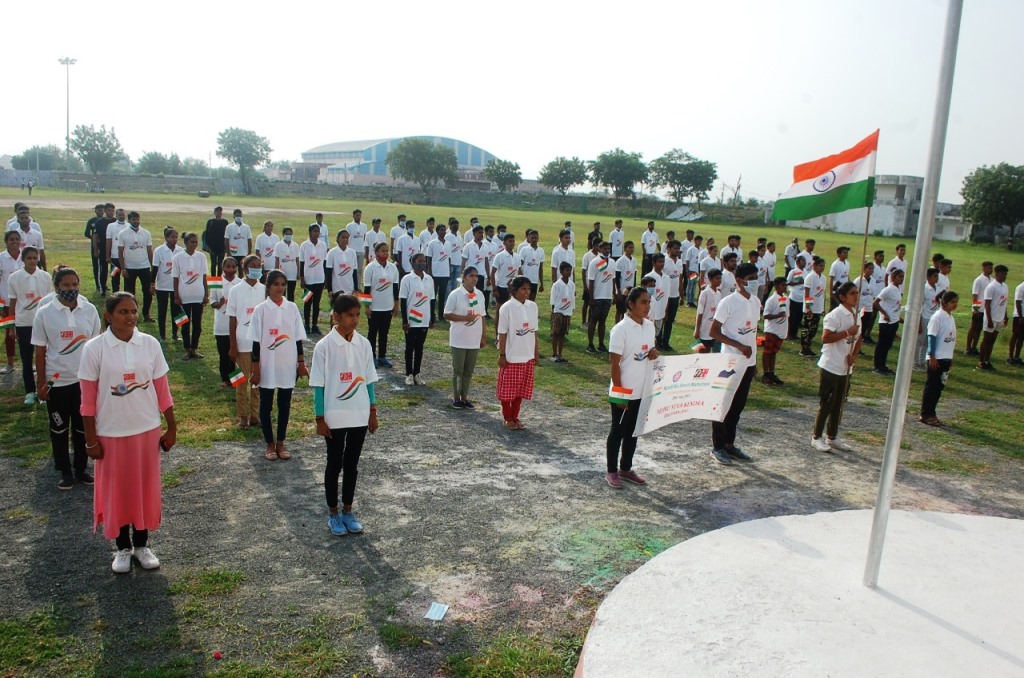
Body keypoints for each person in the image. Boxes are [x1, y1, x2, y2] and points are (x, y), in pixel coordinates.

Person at [79, 292, 177, 574]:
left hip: (146, 430)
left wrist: (171, 426)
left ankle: (142, 545)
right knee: (118, 491)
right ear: (108, 316)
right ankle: (122, 547)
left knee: (144, 489)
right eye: (123, 312)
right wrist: (91, 440)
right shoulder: (94, 349)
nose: (130, 317)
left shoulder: (149, 344)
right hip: (111, 433)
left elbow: (162, 390)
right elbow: (87, 401)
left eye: (133, 311)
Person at [311, 293, 379, 537]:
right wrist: (320, 419)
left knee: (352, 464)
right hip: (334, 416)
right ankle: (333, 513)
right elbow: (318, 385)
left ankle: (348, 511)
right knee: (334, 463)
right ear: (336, 316)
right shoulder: (324, 347)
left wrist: (372, 411)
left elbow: (369, 381)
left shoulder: (364, 344)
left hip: (359, 414)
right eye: (350, 315)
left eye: (357, 315)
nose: (355, 320)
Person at [32, 266, 102, 489]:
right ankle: (64, 470)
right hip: (57, 382)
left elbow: (97, 347)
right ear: (56, 287)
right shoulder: (44, 313)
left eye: (74, 284)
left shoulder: (89, 310)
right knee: (59, 427)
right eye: (65, 285)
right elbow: (40, 350)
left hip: (84, 381)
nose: (71, 289)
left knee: (82, 427)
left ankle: (81, 468)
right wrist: (41, 383)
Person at [249, 270, 308, 461]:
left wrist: (301, 363)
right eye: (276, 284)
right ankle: (269, 444)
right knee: (266, 405)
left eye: (283, 284)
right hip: (267, 364)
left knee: (284, 404)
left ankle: (281, 442)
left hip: (287, 364)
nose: (280, 288)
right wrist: (255, 368)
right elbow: (256, 342)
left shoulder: (291, 308)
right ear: (268, 287)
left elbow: (298, 339)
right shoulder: (261, 310)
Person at [605, 286, 659, 489]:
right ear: (631, 304)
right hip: (623, 391)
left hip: (642, 390)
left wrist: (653, 352)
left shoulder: (649, 326)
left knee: (633, 432)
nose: (647, 306)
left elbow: (649, 350)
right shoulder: (620, 329)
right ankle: (611, 472)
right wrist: (620, 394)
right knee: (617, 431)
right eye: (643, 302)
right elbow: (614, 364)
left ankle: (625, 468)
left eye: (649, 302)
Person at [708, 263, 761, 465]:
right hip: (730, 362)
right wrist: (738, 346)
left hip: (748, 362)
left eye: (756, 277)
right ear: (739, 281)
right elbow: (714, 331)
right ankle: (718, 447)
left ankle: (730, 444)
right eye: (751, 278)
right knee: (723, 404)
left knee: (738, 405)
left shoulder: (755, 301)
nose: (755, 281)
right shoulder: (728, 302)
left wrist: (753, 361)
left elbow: (752, 332)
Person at [810, 282, 863, 452]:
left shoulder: (856, 314)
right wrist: (847, 332)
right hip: (831, 365)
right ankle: (816, 437)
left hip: (845, 367)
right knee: (827, 402)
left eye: (857, 292)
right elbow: (826, 338)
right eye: (852, 293)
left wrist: (854, 356)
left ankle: (832, 436)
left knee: (839, 403)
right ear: (842, 297)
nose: (856, 296)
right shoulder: (835, 315)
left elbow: (859, 337)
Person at [8, 247, 53, 404]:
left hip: (43, 323)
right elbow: (13, 302)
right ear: (23, 259)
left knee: (45, 358)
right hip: (24, 323)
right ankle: (30, 391)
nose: (32, 261)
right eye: (29, 258)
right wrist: (12, 326)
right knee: (26, 358)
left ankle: (44, 389)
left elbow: (50, 301)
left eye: (35, 258)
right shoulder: (14, 278)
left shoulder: (45, 277)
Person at [227, 255, 265, 429]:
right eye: (253, 266)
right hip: (242, 342)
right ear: (245, 269)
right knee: (240, 381)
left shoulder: (264, 290)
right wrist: (233, 345)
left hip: (260, 344)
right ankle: (242, 416)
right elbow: (232, 319)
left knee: (257, 381)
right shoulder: (236, 290)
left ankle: (255, 415)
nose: (256, 269)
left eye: (259, 266)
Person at [497, 276, 539, 429]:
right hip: (512, 356)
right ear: (514, 290)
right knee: (507, 390)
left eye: (528, 289)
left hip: (527, 355)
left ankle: (515, 416)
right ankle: (507, 417)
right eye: (523, 289)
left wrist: (536, 353)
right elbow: (502, 333)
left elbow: (534, 332)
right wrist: (502, 355)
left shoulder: (532, 306)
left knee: (520, 390)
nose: (526, 292)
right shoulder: (506, 308)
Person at [444, 267, 487, 409]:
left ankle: (465, 397)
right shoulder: (455, 294)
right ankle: (456, 397)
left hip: (474, 338)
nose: (474, 279)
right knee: (458, 371)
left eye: (476, 276)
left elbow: (482, 316)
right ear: (464, 277)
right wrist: (464, 318)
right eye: (471, 276)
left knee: (468, 371)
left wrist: (483, 336)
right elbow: (447, 314)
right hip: (459, 338)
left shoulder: (479, 294)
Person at [920, 291, 959, 426]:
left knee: (939, 387)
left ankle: (932, 412)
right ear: (944, 302)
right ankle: (925, 414)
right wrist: (932, 356)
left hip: (945, 357)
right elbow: (932, 337)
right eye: (952, 302)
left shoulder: (950, 317)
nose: (955, 304)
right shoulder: (937, 317)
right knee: (932, 387)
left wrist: (950, 356)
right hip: (937, 358)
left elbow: (950, 339)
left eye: (956, 302)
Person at [172, 232, 209, 360]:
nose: (194, 244)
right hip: (184, 297)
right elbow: (175, 278)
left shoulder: (201, 257)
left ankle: (194, 349)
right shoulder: (178, 258)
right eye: (191, 242)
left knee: (197, 325)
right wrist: (176, 296)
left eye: (196, 242)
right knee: (184, 324)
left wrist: (206, 294)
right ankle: (187, 349)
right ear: (186, 243)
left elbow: (204, 277)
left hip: (198, 296)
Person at [399, 253, 435, 385]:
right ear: (413, 263)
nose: (422, 263)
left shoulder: (429, 279)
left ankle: (417, 373)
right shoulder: (407, 279)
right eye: (419, 261)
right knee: (410, 347)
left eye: (424, 261)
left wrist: (432, 318)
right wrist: (405, 320)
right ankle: (409, 374)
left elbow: (432, 300)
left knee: (419, 347)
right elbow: (403, 300)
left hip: (424, 319)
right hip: (412, 319)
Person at [363, 243, 400, 368]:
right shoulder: (370, 268)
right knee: (372, 333)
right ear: (376, 253)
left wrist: (396, 304)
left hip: (387, 306)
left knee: (384, 333)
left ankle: (382, 356)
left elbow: (395, 287)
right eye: (383, 251)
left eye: (387, 251)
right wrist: (367, 306)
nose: (385, 253)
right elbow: (366, 289)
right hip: (374, 307)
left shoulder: (392, 268)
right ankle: (371, 356)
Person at [117, 211, 154, 322]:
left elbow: (149, 251)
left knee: (148, 291)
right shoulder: (123, 233)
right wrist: (123, 268)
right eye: (133, 219)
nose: (136, 221)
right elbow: (120, 252)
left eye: (137, 219)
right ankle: (131, 314)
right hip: (130, 268)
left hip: (144, 267)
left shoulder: (146, 233)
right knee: (129, 294)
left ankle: (146, 314)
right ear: (129, 220)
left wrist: (152, 266)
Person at [210, 257, 241, 388]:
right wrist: (220, 303)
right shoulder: (216, 282)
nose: (231, 269)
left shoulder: (240, 283)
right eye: (228, 266)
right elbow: (212, 303)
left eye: (233, 267)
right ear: (223, 268)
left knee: (236, 354)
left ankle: (236, 380)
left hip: (237, 326)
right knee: (224, 354)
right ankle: (225, 379)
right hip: (221, 326)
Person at [151, 228, 182, 345]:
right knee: (162, 311)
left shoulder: (180, 250)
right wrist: (152, 284)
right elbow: (154, 268)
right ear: (166, 237)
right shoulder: (159, 251)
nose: (174, 239)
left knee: (177, 311)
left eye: (176, 237)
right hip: (162, 286)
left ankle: (175, 334)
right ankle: (162, 335)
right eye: (172, 237)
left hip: (176, 287)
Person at [872, 268, 904, 376]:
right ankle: (878, 367)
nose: (902, 279)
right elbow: (875, 303)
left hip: (894, 321)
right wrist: (884, 314)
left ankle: (883, 365)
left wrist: (898, 317)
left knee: (888, 345)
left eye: (903, 277)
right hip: (886, 323)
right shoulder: (888, 289)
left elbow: (895, 305)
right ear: (893, 277)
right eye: (900, 277)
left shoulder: (897, 289)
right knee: (882, 345)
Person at [978, 264, 1010, 371]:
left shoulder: (1005, 286)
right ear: (996, 274)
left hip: (1000, 318)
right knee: (986, 340)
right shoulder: (991, 287)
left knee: (992, 340)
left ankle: (987, 361)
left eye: (1005, 274)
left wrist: (1005, 316)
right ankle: (981, 362)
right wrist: (989, 320)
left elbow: (1004, 302)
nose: (1004, 276)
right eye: (1002, 274)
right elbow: (987, 304)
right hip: (991, 318)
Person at [1, 230, 24, 374]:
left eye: (17, 239)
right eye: (11, 239)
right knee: (9, 332)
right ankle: (10, 364)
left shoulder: (25, 256)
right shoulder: (1, 258)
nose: (14, 242)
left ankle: (27, 362)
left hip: (24, 303)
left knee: (26, 332)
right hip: (7, 302)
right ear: (6, 241)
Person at [586, 241, 615, 354]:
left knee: (603, 321)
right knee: (593, 320)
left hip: (607, 296)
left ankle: (601, 344)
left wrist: (613, 294)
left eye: (608, 249)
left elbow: (613, 279)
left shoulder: (612, 262)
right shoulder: (595, 262)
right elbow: (591, 281)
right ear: (599, 249)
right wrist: (591, 298)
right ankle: (590, 344)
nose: (607, 251)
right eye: (605, 249)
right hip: (597, 296)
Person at [299, 224, 328, 335]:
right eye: (314, 231)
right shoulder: (304, 245)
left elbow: (324, 262)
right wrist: (302, 278)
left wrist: (325, 278)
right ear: (310, 232)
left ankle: (315, 325)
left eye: (318, 231)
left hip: (319, 279)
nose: (316, 233)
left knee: (316, 303)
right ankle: (306, 325)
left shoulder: (323, 245)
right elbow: (302, 263)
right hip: (308, 279)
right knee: (307, 302)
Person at [761, 276, 789, 385]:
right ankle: (766, 374)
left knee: (774, 353)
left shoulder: (786, 299)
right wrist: (778, 315)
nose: (785, 287)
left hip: (780, 330)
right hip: (771, 330)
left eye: (785, 285)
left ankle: (771, 373)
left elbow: (786, 315)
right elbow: (766, 315)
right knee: (767, 352)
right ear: (776, 286)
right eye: (782, 285)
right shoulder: (771, 300)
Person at [800, 257, 827, 357]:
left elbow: (823, 294)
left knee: (814, 329)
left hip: (818, 307)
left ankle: (808, 347)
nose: (822, 268)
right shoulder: (810, 277)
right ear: (814, 266)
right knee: (807, 328)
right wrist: (808, 307)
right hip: (811, 308)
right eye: (820, 266)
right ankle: (804, 348)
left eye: (823, 266)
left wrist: (823, 307)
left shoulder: (823, 278)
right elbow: (807, 293)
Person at [490, 233, 522, 320]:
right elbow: (492, 273)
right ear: (504, 243)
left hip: (513, 288)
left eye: (513, 241)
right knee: (499, 311)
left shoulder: (517, 256)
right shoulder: (499, 256)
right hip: (502, 287)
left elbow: (519, 271)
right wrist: (494, 288)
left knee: (511, 311)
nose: (512, 243)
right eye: (510, 241)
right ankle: (497, 328)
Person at [965, 261, 993, 356]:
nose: (991, 270)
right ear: (983, 268)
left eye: (991, 268)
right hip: (979, 308)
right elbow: (975, 295)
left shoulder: (992, 280)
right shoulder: (979, 280)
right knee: (973, 328)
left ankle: (974, 347)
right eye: (989, 268)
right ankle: (968, 347)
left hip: (986, 309)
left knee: (979, 329)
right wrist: (975, 308)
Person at [659, 240, 683, 351]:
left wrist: (681, 295)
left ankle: (666, 342)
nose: (677, 250)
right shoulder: (664, 260)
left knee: (670, 321)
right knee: (661, 319)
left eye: (678, 248)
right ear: (668, 249)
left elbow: (680, 279)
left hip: (675, 296)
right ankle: (658, 341)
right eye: (675, 248)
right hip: (664, 296)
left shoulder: (679, 262)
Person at [549, 261, 575, 363]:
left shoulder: (572, 284)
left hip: (567, 312)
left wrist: (571, 309)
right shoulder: (557, 285)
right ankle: (554, 354)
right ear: (561, 271)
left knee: (563, 334)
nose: (569, 272)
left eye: (570, 271)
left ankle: (560, 354)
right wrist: (554, 312)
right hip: (558, 311)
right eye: (567, 270)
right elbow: (553, 299)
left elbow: (572, 297)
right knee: (556, 333)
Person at [916, 268, 942, 368]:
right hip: (925, 317)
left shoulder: (938, 289)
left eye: (937, 276)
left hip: (933, 319)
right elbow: (919, 306)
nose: (936, 278)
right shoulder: (924, 289)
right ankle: (915, 363)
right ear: (928, 277)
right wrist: (919, 323)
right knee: (919, 341)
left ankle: (922, 361)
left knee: (927, 342)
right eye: (934, 276)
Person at [426, 224, 452, 322]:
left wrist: (449, 272)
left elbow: (449, 258)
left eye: (444, 230)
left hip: (445, 274)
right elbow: (429, 258)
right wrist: (430, 272)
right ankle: (431, 315)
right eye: (441, 230)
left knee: (442, 296)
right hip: (435, 273)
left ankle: (441, 315)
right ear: (437, 231)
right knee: (433, 295)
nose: (443, 232)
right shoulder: (432, 243)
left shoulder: (448, 243)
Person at [694, 268, 723, 353]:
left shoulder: (718, 293)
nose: (719, 280)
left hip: (714, 329)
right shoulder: (705, 293)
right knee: (704, 353)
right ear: (710, 279)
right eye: (717, 278)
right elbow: (700, 312)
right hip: (704, 328)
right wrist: (697, 329)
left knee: (714, 353)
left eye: (720, 278)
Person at [325, 230, 358, 301]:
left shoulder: (352, 253)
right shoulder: (332, 253)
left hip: (349, 289)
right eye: (343, 237)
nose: (345, 239)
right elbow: (329, 273)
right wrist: (330, 290)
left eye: (347, 238)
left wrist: (355, 288)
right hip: (336, 290)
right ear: (338, 239)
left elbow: (354, 272)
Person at [92, 203, 116, 294]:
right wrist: (95, 251)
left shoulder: (116, 222)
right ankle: (103, 287)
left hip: (114, 250)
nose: (111, 212)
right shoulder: (99, 223)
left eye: (112, 210)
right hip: (103, 249)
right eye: (109, 210)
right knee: (103, 270)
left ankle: (115, 287)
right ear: (105, 211)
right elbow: (95, 237)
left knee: (114, 270)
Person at [853, 261, 878, 346]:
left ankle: (860, 343)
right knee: (858, 326)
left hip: (868, 307)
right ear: (864, 269)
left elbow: (873, 294)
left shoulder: (873, 280)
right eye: (869, 268)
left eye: (872, 269)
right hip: (860, 306)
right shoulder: (858, 280)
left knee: (864, 326)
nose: (871, 270)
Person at [273, 227, 300, 302]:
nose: (289, 236)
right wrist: (276, 273)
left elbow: (297, 260)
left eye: (290, 234)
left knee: (291, 293)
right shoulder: (278, 245)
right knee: (282, 293)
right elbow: (277, 260)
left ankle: (290, 307)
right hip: (282, 273)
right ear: (283, 234)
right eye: (287, 234)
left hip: (292, 273)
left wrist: (298, 272)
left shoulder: (295, 245)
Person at [614, 241, 637, 324]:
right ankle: (617, 326)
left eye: (632, 247)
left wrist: (634, 289)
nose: (631, 249)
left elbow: (634, 275)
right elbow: (617, 278)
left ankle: (624, 326)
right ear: (625, 249)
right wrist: (619, 291)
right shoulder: (620, 261)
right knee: (619, 310)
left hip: (630, 291)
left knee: (627, 311)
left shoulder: (634, 260)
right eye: (629, 247)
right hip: (622, 291)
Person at [105, 208, 127, 294]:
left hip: (126, 257)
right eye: (120, 215)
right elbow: (109, 241)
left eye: (123, 215)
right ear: (116, 215)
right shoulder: (111, 226)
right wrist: (108, 255)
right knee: (115, 277)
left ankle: (127, 295)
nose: (121, 216)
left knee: (127, 277)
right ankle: (115, 294)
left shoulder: (129, 226)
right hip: (115, 257)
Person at [520, 230, 545, 302]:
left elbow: (540, 268)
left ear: (538, 238)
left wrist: (541, 283)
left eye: (535, 238)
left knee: (531, 301)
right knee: (523, 300)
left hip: (534, 281)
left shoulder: (541, 251)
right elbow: (519, 266)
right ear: (528, 238)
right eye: (532, 238)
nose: (534, 240)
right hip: (525, 280)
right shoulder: (524, 250)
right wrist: (521, 278)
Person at [786, 255, 807, 341]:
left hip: (802, 298)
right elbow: (787, 282)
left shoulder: (806, 272)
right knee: (792, 317)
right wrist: (798, 282)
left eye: (805, 261)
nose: (805, 262)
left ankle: (794, 334)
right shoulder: (793, 271)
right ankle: (789, 334)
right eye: (803, 261)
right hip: (794, 297)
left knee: (799, 317)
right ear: (798, 262)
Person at [204, 206, 229, 276]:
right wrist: (207, 246)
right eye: (217, 211)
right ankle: (213, 279)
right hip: (212, 247)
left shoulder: (225, 222)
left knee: (221, 264)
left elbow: (227, 235)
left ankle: (219, 278)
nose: (219, 213)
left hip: (222, 247)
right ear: (214, 212)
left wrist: (226, 247)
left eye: (220, 211)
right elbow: (206, 234)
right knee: (213, 264)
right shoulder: (210, 222)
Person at [85, 204, 105, 291]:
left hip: (104, 245)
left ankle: (103, 284)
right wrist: (94, 239)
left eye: (102, 210)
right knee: (96, 265)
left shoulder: (106, 221)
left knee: (103, 265)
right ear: (95, 211)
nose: (100, 211)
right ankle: (97, 284)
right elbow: (86, 233)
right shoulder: (92, 221)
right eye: (99, 210)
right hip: (95, 246)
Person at [684, 235, 704, 307]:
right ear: (695, 241)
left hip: (698, 271)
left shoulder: (701, 249)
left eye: (700, 241)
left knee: (694, 286)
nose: (700, 242)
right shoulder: (691, 249)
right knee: (690, 286)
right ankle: (688, 301)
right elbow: (687, 260)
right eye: (698, 241)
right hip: (692, 270)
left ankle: (692, 300)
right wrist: (687, 270)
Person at [346, 209, 367, 275]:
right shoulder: (349, 226)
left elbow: (365, 238)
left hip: (361, 250)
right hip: (352, 250)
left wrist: (365, 250)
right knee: (351, 269)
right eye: (357, 215)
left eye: (360, 215)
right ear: (353, 216)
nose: (358, 217)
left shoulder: (364, 226)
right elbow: (347, 238)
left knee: (359, 270)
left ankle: (358, 282)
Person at [1009, 279, 1024, 366]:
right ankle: (1010, 357)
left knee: (1021, 337)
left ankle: (1017, 357)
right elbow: (1018, 302)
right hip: (1019, 315)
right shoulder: (1021, 287)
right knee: (1015, 335)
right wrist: (1020, 316)